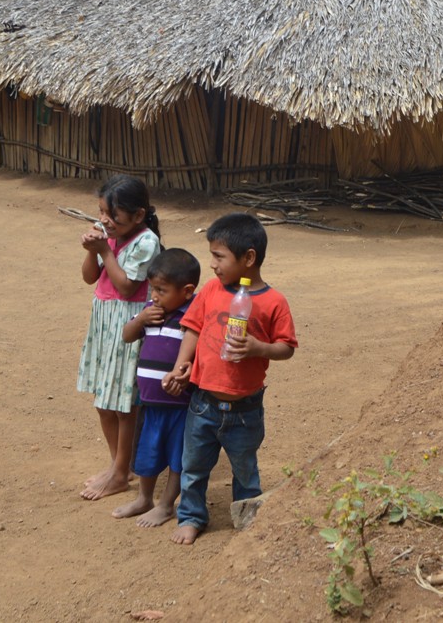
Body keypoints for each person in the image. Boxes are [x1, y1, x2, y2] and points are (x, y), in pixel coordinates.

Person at [162, 212, 297, 545]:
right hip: (202, 403)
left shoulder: (273, 302)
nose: (212, 264)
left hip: (245, 410)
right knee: (193, 467)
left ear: (248, 258)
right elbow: (192, 327)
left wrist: (257, 347)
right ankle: (192, 517)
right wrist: (182, 364)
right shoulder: (210, 290)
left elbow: (286, 347)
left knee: (245, 469)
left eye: (219, 256)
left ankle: (248, 517)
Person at [77, 174, 162, 501]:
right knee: (103, 400)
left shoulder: (146, 241)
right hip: (104, 323)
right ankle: (118, 466)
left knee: (125, 405)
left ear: (138, 216)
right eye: (101, 212)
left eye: (113, 215)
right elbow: (89, 278)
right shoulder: (108, 237)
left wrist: (105, 250)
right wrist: (91, 250)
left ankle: (121, 469)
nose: (104, 220)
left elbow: (127, 286)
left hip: (128, 327)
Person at [113, 248, 200, 526]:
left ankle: (165, 505)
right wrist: (140, 320)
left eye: (161, 290)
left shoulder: (193, 316)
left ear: (187, 292)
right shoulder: (151, 312)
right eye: (153, 289)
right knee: (147, 453)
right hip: (150, 403)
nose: (154, 296)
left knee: (178, 458)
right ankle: (144, 498)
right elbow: (127, 336)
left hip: (180, 405)